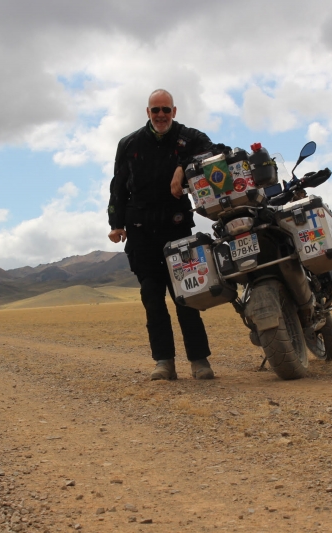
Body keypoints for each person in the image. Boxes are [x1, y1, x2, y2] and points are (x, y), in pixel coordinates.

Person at [107, 89, 217, 381]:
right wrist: (116, 223)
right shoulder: (129, 144)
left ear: (174, 111)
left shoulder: (188, 137)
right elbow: (118, 185)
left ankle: (199, 360)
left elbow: (212, 151)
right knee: (152, 298)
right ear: (148, 112)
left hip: (176, 227)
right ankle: (164, 362)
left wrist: (183, 167)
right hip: (140, 231)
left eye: (166, 110)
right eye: (155, 110)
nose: (160, 115)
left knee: (187, 294)